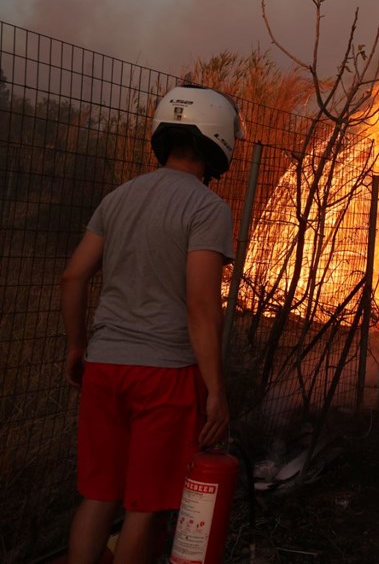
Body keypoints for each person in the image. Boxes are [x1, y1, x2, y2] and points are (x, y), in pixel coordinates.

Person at [60, 84, 243, 563]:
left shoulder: (118, 198)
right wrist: (216, 390)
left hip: (104, 367)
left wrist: (77, 347)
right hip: (164, 375)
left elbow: (74, 275)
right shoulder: (208, 209)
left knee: (99, 495)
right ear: (220, 140)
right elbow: (202, 305)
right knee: (147, 505)